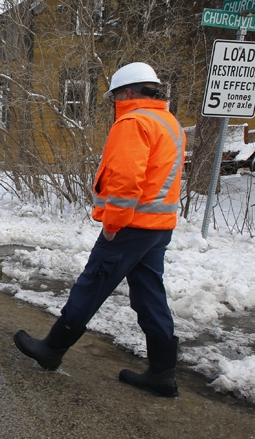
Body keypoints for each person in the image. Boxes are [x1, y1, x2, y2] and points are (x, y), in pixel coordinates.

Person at [13, 62, 187, 397]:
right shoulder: (170, 123)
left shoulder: (133, 122)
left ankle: (52, 349)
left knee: (91, 285)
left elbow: (126, 179)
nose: (112, 104)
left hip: (130, 226)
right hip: (157, 227)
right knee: (150, 296)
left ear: (126, 92)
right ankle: (163, 373)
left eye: (114, 97)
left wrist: (113, 225)